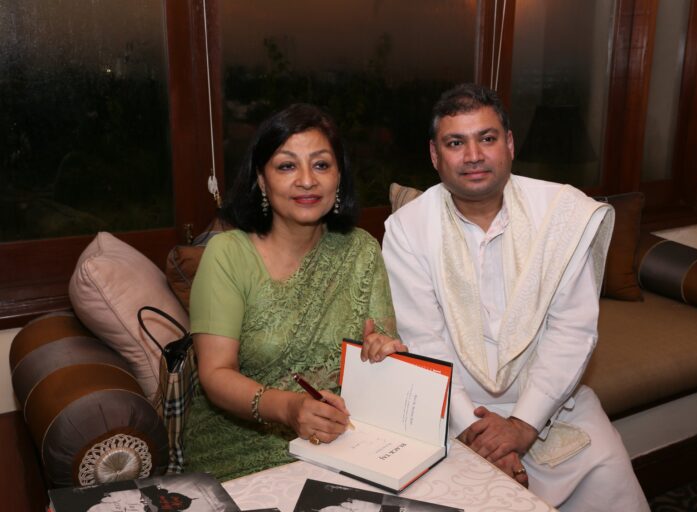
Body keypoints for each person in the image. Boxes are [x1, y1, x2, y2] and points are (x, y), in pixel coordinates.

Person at [366, 84, 649, 511]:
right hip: (449, 411)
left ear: (510, 144)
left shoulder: (562, 213)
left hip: (553, 405)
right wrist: (481, 438)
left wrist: (522, 425)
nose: (474, 155)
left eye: (488, 138)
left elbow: (571, 332)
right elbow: (425, 340)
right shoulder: (408, 228)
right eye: (456, 143)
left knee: (609, 476)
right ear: (434, 155)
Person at [183, 103, 399, 481]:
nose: (306, 180)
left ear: (339, 177)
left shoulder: (361, 251)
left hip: (344, 443)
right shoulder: (228, 255)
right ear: (261, 181)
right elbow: (215, 373)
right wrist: (288, 408)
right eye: (286, 166)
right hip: (237, 449)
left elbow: (381, 345)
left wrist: (385, 351)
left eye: (320, 165)